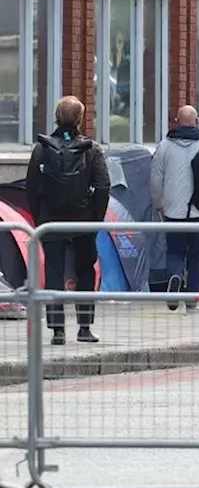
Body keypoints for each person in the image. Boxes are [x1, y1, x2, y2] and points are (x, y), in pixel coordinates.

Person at [26, 96, 110, 345]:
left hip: (51, 220)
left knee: (54, 271)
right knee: (85, 270)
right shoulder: (91, 149)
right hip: (83, 220)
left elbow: (32, 187)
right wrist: (96, 218)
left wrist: (39, 218)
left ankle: (57, 331)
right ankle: (84, 328)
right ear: (81, 119)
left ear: (56, 117)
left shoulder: (42, 148)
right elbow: (103, 186)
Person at [150, 104, 199, 313]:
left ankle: (175, 279)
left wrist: (159, 204)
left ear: (175, 121)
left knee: (174, 252)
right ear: (198, 120)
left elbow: (155, 179)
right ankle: (192, 302)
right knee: (197, 256)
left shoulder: (164, 146)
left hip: (173, 212)